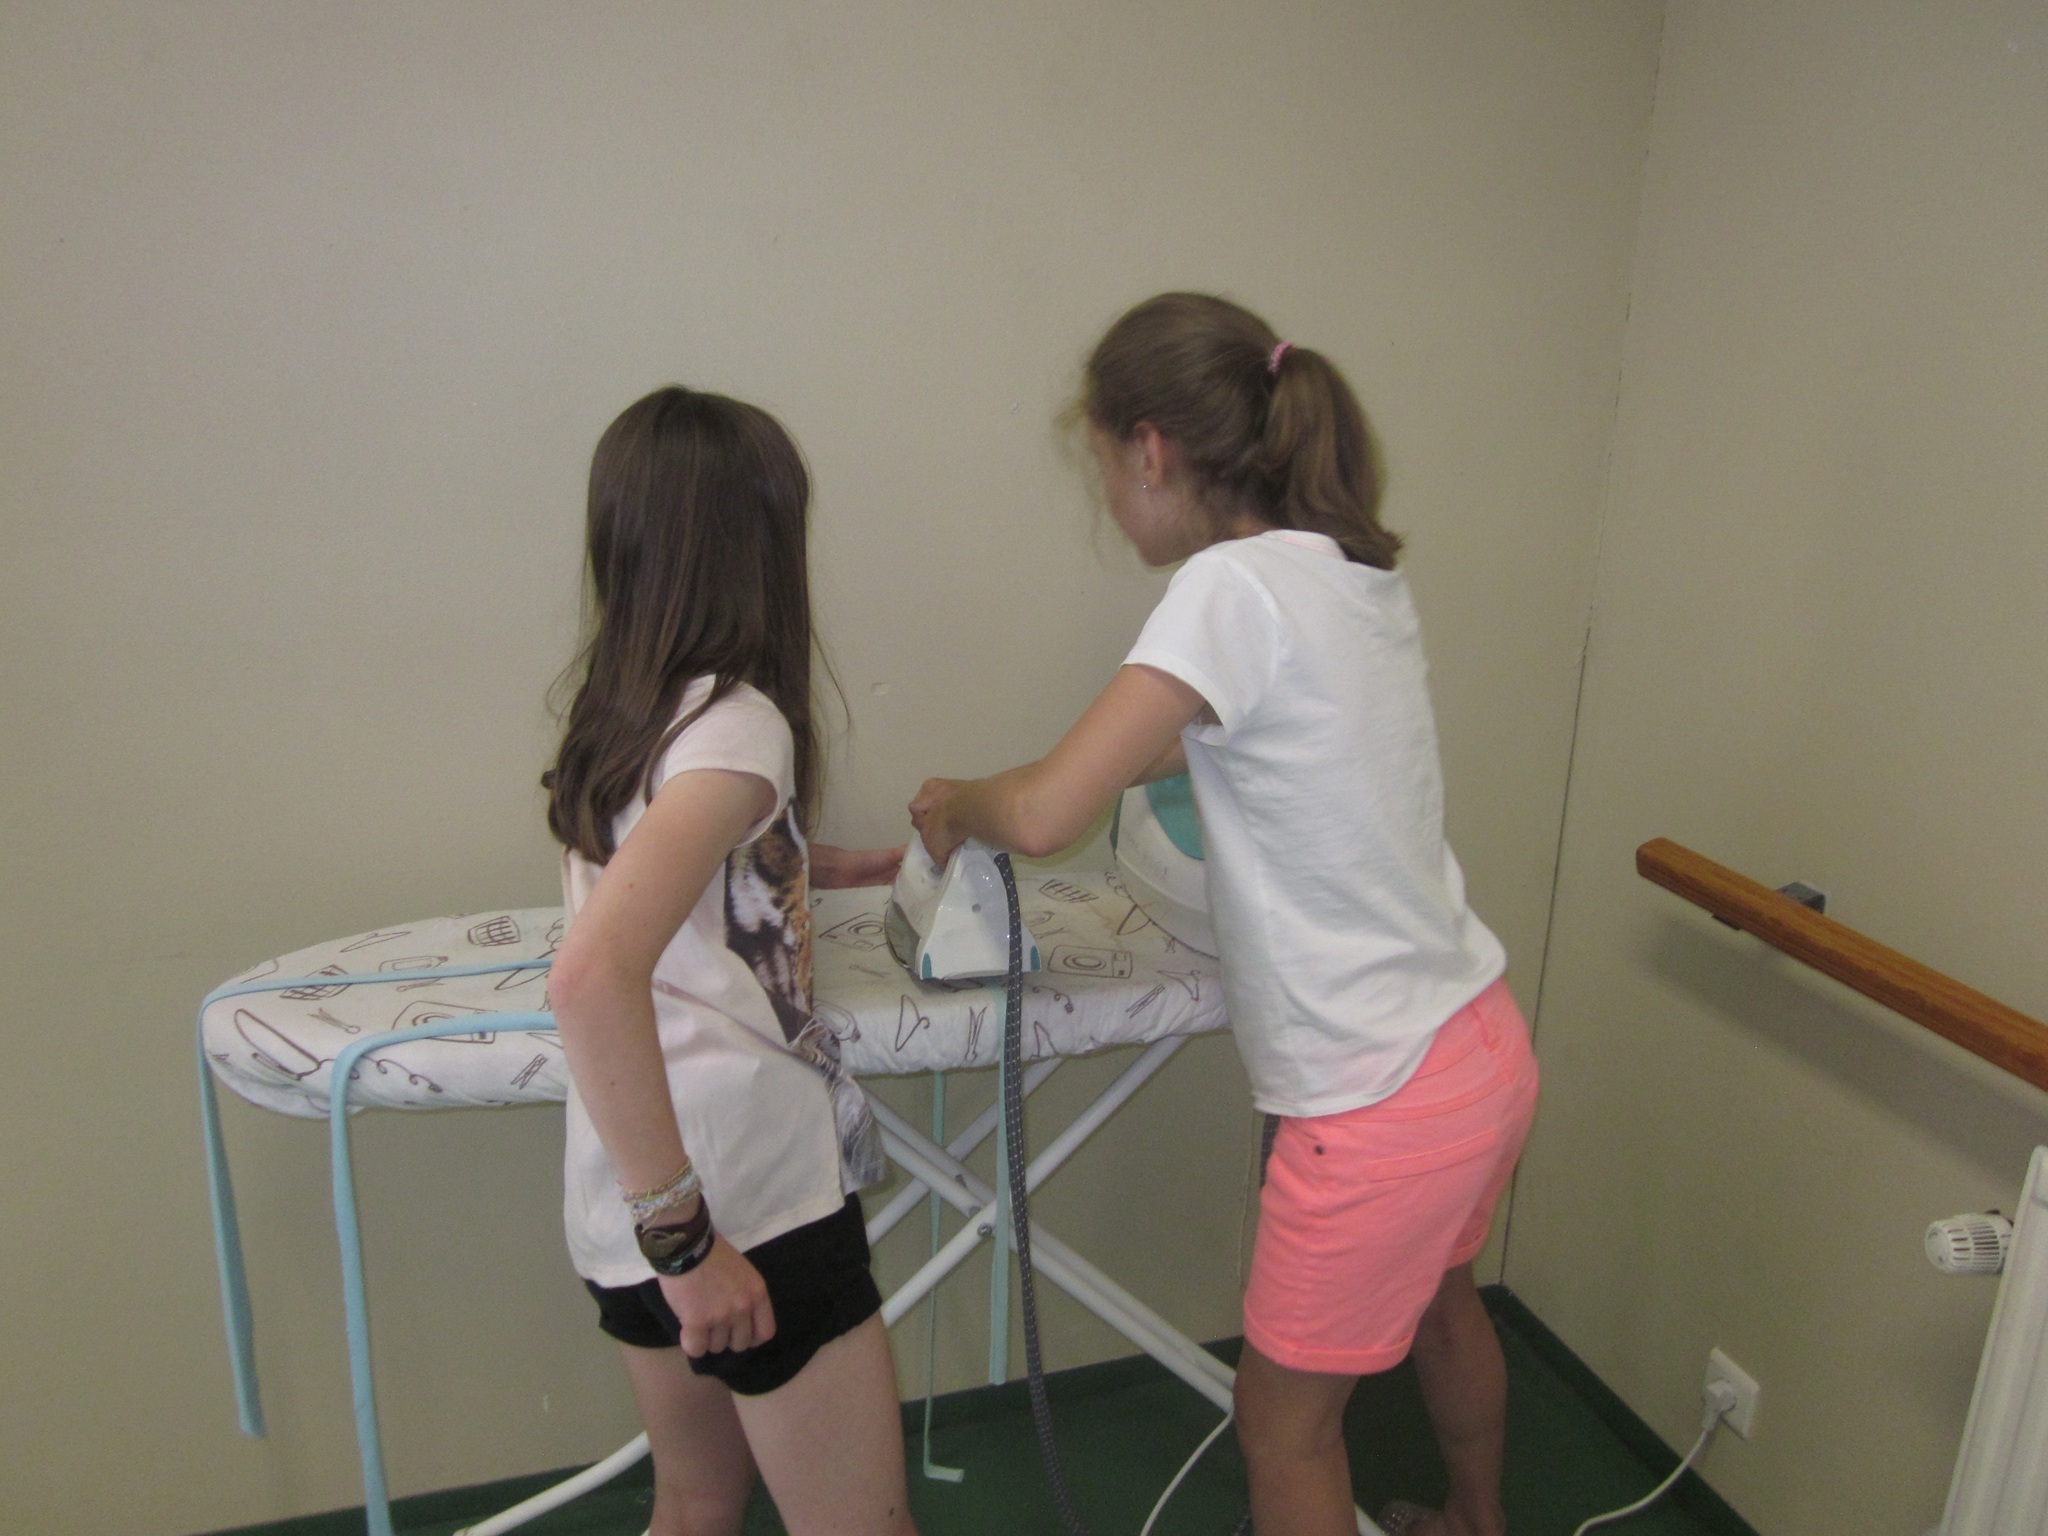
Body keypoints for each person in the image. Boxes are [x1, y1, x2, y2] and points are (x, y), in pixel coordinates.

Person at [909, 293, 1538, 1536]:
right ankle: (1475, 1523)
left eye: (1103, 466)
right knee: (1443, 1305)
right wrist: (988, 798)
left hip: (1371, 1101)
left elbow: (1046, 813)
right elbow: (1172, 751)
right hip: (1475, 1049)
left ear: (1150, 451)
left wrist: (960, 806)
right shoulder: (1346, 575)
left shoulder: (1225, 587)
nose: (1108, 497)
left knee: (1283, 1426)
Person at [544, 386, 917, 1536]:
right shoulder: (742, 724)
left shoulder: (624, 709)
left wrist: (831, 864)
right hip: (738, 1205)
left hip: (623, 1198)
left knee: (697, 1503)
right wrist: (691, 1242)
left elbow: (678, 871)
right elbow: (588, 979)